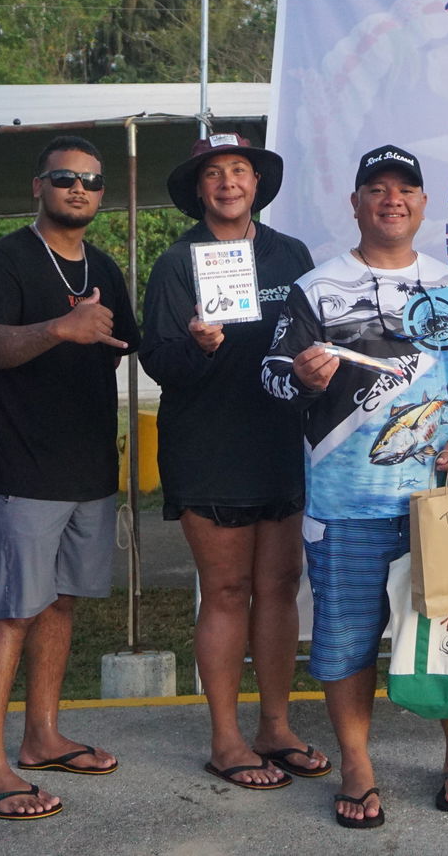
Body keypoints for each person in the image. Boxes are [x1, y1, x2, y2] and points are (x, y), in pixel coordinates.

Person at [263, 144, 448, 828]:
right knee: (345, 637)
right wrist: (299, 375)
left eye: (406, 189)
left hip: (438, 501)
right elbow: (271, 374)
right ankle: (358, 763)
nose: (392, 199)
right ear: (356, 203)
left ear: (422, 204)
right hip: (345, 500)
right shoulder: (317, 286)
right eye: (378, 188)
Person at [0, 134, 139, 820]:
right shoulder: (3, 261)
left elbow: (132, 342)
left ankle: (41, 736)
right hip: (18, 470)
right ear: (39, 185)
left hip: (87, 469)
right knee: (7, 612)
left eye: (91, 181)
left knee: (60, 603)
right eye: (65, 178)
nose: (80, 189)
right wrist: (61, 328)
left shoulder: (106, 267)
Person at [138, 133, 324, 788]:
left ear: (256, 182)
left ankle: (275, 727)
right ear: (198, 188)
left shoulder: (289, 254)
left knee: (277, 587)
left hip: (276, 443)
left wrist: (317, 364)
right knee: (224, 591)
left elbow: (310, 337)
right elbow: (157, 361)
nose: (227, 182)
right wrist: (199, 345)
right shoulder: (177, 263)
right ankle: (225, 739)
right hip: (207, 448)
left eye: (238, 170)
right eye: (213, 173)